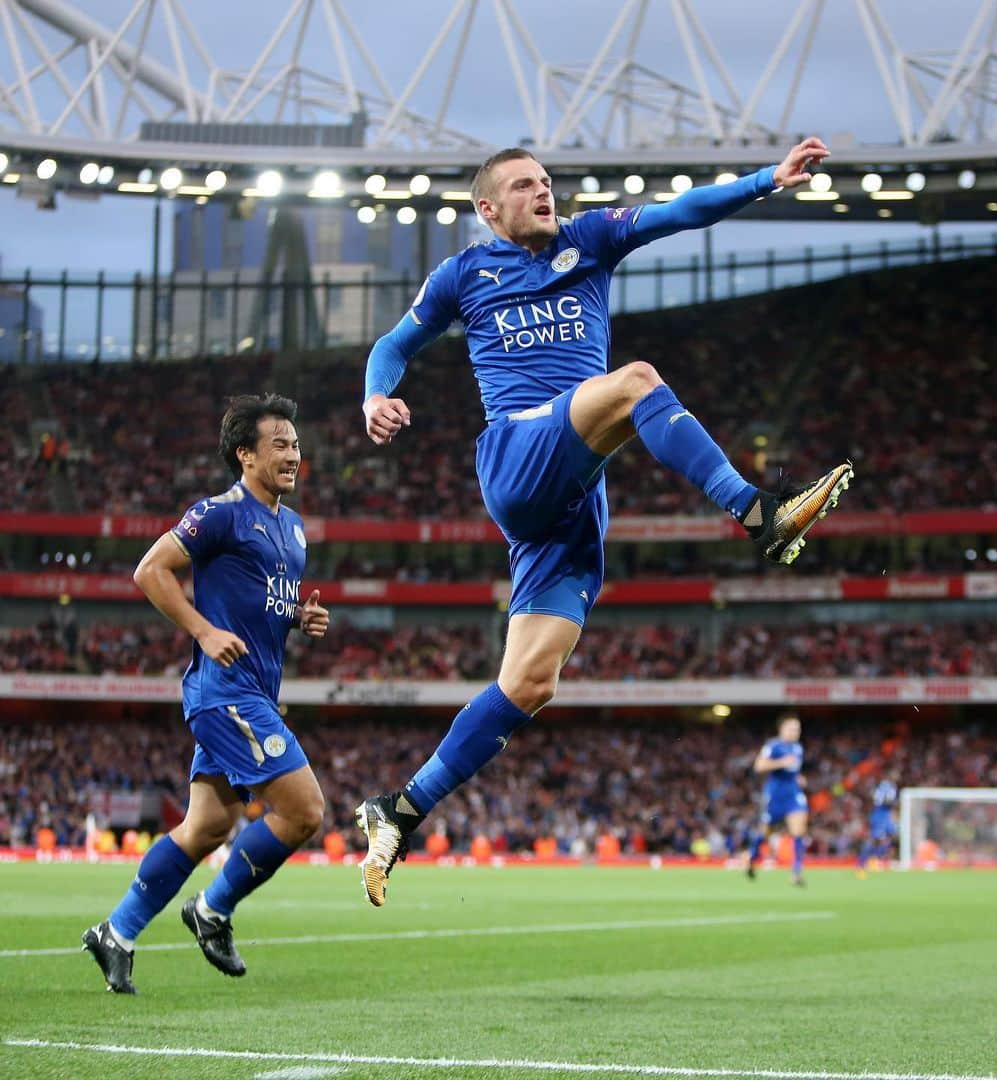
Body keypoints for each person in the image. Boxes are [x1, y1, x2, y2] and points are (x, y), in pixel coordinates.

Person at [355, 139, 853, 907]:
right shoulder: (463, 275)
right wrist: (374, 396)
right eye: (524, 186)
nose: (543, 192)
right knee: (637, 383)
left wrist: (766, 181)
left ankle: (401, 808)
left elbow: (679, 212)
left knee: (529, 683)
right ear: (489, 209)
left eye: (547, 181)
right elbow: (393, 345)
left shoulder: (590, 238)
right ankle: (758, 514)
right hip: (519, 453)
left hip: (575, 496)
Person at [82, 393, 330, 993]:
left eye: (296, 444)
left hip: (255, 695)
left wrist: (297, 617)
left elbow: (254, 600)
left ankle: (116, 931)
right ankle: (212, 909)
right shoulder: (218, 512)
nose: (293, 454)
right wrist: (203, 629)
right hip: (225, 694)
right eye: (279, 444)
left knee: (206, 829)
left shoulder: (292, 530)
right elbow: (150, 570)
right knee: (303, 811)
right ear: (245, 455)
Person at [746, 713, 809, 886]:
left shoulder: (798, 748)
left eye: (798, 729)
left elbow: (792, 770)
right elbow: (759, 766)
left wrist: (798, 778)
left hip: (793, 795)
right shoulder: (773, 746)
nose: (795, 732)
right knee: (765, 833)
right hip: (775, 796)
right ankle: (752, 858)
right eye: (792, 728)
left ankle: (796, 872)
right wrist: (781, 762)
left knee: (798, 831)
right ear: (782, 729)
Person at [855, 775, 899, 877]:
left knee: (889, 838)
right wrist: (894, 803)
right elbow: (884, 802)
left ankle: (874, 861)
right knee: (876, 840)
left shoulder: (883, 786)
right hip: (880, 815)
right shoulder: (887, 787)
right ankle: (861, 864)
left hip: (885, 816)